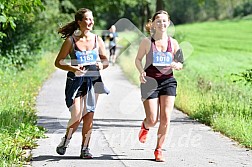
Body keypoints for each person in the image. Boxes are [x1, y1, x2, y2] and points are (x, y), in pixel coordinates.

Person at [54, 8, 109, 159]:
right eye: (87, 19)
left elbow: (106, 60)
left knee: (89, 115)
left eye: (92, 19)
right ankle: (66, 140)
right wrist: (72, 67)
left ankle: (85, 148)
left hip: (93, 80)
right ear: (79, 22)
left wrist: (101, 65)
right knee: (77, 115)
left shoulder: (97, 39)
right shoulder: (71, 40)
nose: (91, 22)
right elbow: (58, 62)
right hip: (75, 81)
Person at [135, 10, 184, 162]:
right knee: (152, 119)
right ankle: (145, 126)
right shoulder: (146, 42)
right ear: (154, 24)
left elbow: (181, 62)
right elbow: (138, 60)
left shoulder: (174, 43)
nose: (162, 24)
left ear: (168, 23)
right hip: (150, 82)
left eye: (164, 21)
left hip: (168, 81)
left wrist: (176, 64)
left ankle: (158, 150)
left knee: (166, 118)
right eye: (158, 21)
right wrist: (141, 71)